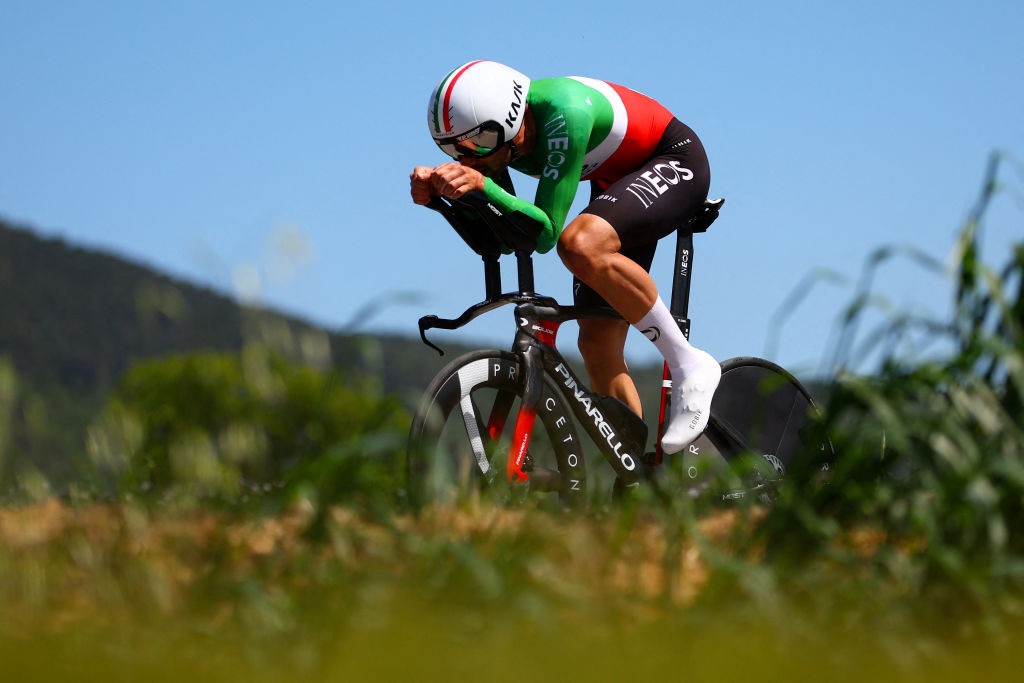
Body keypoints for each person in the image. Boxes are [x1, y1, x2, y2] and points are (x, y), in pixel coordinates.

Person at [409, 60, 721, 454]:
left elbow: (544, 234)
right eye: (452, 150)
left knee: (580, 244)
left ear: (507, 122)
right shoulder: (498, 145)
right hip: (616, 181)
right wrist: (447, 199)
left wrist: (482, 186)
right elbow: (509, 237)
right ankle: (638, 477)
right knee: (596, 345)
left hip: (672, 158)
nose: (467, 158)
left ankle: (689, 365)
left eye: (475, 147)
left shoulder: (563, 115)